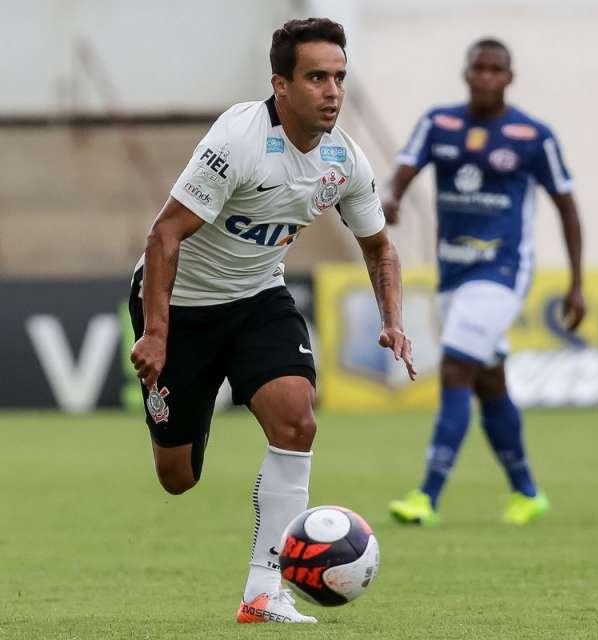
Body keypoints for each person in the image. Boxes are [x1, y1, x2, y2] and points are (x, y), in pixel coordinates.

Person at [128, 18, 415, 624]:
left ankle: (263, 592)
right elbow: (164, 235)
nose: (332, 91)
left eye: (339, 77)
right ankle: (189, 412)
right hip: (182, 306)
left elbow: (379, 247)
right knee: (177, 478)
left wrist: (392, 319)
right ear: (280, 85)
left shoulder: (345, 160)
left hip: (259, 298)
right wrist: (156, 332)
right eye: (317, 77)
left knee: (296, 418)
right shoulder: (239, 139)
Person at [383, 37, 585, 526]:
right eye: (480, 68)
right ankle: (527, 492)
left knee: (455, 368)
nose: (487, 76)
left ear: (509, 77)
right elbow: (401, 175)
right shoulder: (439, 123)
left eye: (497, 70)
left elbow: (567, 207)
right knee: (489, 382)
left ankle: (426, 495)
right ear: (466, 72)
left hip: (503, 271)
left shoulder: (534, 136)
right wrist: (389, 200)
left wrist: (577, 283)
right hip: (453, 272)